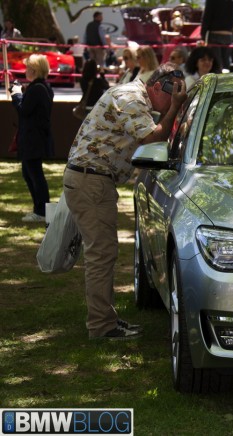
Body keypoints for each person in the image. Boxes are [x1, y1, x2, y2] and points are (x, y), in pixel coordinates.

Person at [64, 62, 187, 340]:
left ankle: (106, 320)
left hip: (92, 180)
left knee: (103, 253)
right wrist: (174, 109)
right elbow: (151, 138)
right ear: (157, 87)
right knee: (101, 255)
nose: (172, 101)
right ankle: (101, 327)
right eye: (172, 94)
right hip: (91, 181)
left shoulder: (133, 96)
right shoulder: (131, 99)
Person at [10, 54, 54, 223]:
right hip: (35, 137)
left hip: (33, 138)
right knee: (29, 174)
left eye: (28, 68)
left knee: (34, 175)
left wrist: (16, 95)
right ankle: (39, 208)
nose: (26, 71)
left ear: (34, 70)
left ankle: (41, 211)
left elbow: (24, 111)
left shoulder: (36, 89)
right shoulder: (42, 87)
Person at [201, 0, 233, 72]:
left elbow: (206, 18)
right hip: (228, 36)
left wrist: (202, 36)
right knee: (226, 64)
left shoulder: (211, 1)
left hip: (215, 35)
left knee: (216, 64)